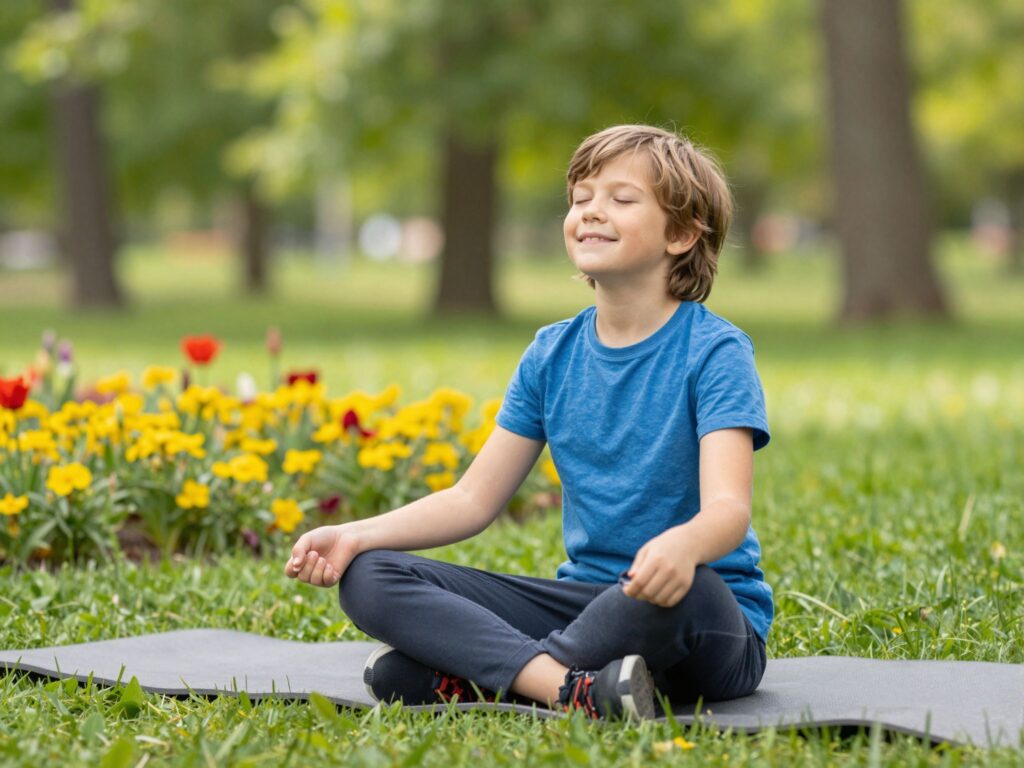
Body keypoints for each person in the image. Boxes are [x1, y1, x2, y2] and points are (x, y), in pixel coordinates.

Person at [285, 124, 772, 720]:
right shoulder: (551, 353)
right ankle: (573, 689)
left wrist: (682, 545)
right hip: (584, 608)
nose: (592, 211)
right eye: (581, 197)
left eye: (621, 199)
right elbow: (471, 499)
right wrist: (358, 535)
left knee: (687, 588)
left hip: (698, 619)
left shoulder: (715, 351)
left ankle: (489, 676)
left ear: (682, 233)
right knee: (369, 575)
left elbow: (729, 510)